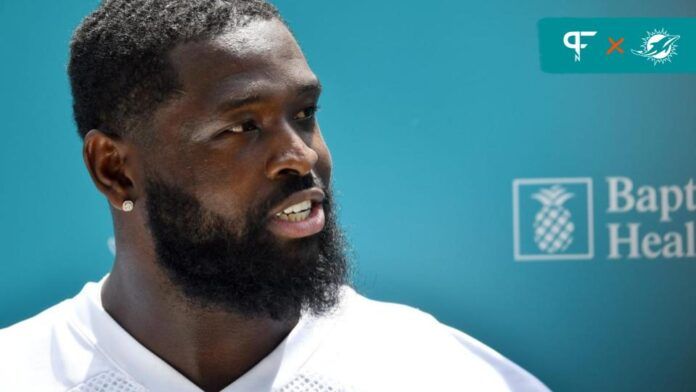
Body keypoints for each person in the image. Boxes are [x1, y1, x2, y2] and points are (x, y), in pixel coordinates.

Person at [0, 1, 549, 391]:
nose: (302, 156)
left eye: (305, 114)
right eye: (243, 126)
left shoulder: (439, 374)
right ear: (115, 170)